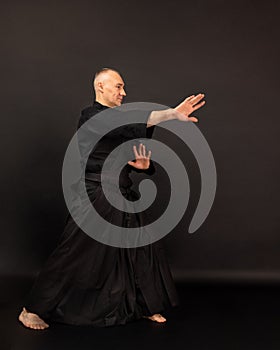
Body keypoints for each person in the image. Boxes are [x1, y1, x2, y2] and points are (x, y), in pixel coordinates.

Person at [18, 68, 205, 330]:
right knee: (74, 252)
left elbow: (122, 147)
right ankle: (31, 309)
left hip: (122, 192)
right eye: (118, 86)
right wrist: (172, 114)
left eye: (123, 87)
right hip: (96, 194)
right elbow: (124, 128)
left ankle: (143, 306)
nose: (123, 92)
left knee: (138, 249)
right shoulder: (90, 116)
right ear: (100, 87)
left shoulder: (119, 117)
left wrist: (140, 167)